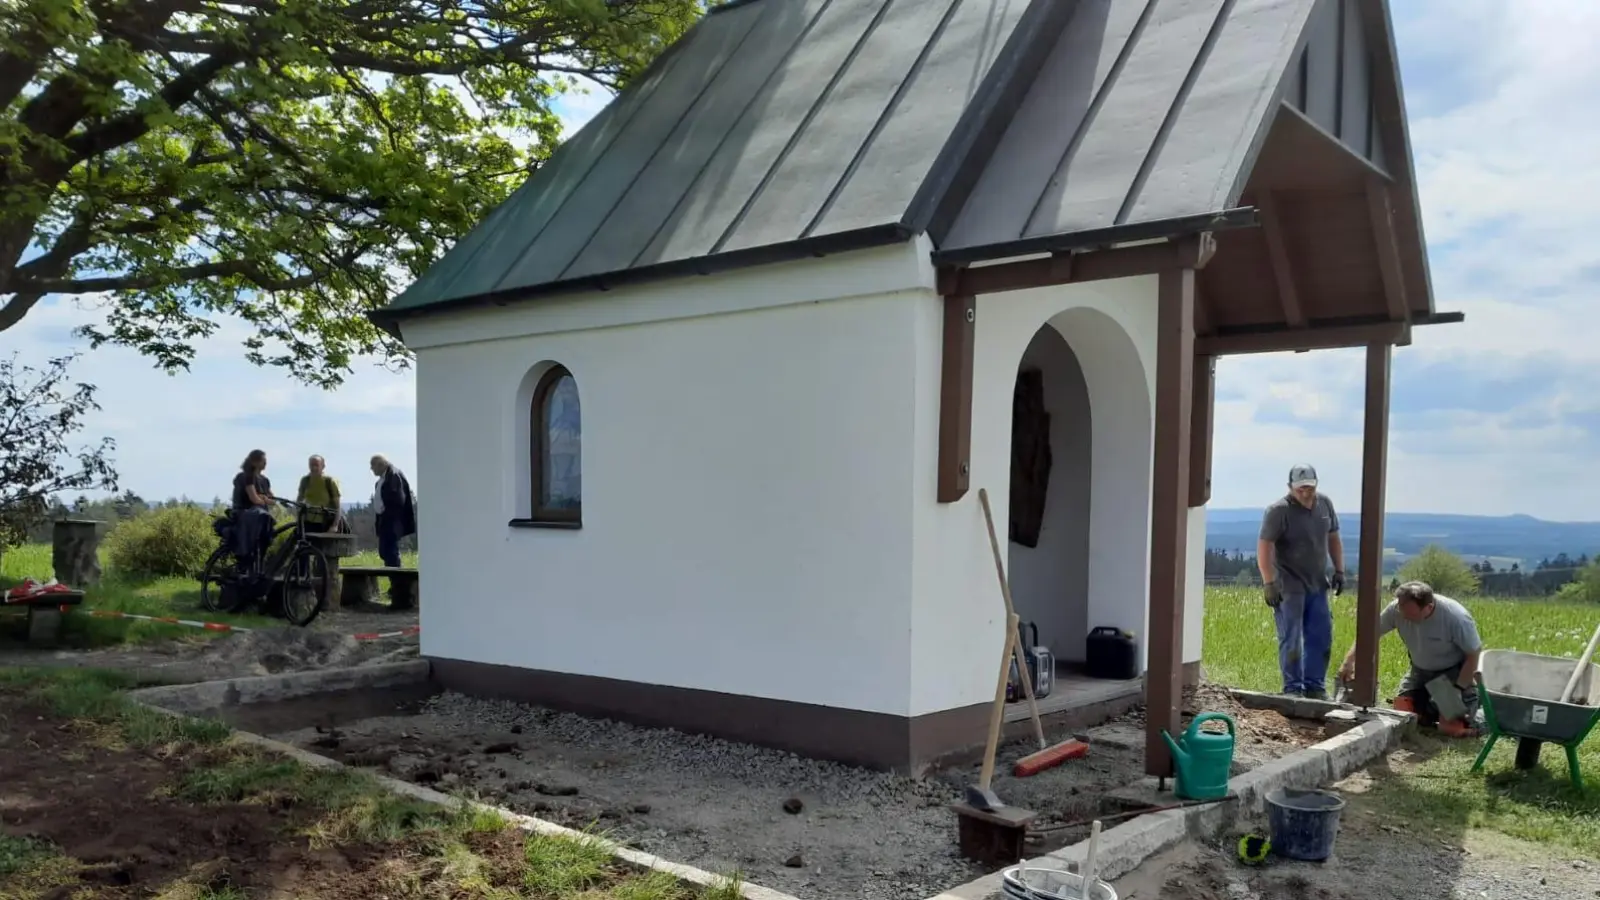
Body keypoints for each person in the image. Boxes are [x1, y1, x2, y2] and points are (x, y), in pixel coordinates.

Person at [1338, 581, 1483, 738]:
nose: (1405, 617)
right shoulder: (1396, 610)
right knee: (1403, 715)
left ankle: (1480, 716)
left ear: (1429, 607)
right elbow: (1369, 634)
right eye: (1402, 612)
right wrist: (1348, 662)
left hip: (1450, 673)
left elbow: (1473, 655)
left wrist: (1458, 689)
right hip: (1419, 671)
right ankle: (1430, 710)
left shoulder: (1456, 618)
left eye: (1411, 615)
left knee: (1450, 728)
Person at [1257, 464, 1345, 700]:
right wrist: (1269, 582)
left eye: (1309, 487)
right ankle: (1293, 689)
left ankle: (1315, 687)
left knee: (1321, 636)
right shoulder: (1278, 511)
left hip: (1317, 583)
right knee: (1292, 637)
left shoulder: (1325, 504)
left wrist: (1339, 570)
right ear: (1290, 488)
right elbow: (1265, 546)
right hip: (1289, 585)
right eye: (1300, 489)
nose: (1305, 493)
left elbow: (1333, 537)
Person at [370, 454, 417, 569]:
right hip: (385, 521)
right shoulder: (383, 479)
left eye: (373, 466)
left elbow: (398, 500)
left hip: (392, 521)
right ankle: (395, 581)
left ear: (381, 465)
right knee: (384, 551)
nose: (371, 469)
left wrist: (387, 514)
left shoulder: (393, 476)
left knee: (391, 552)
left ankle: (398, 582)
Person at [231, 449, 275, 565]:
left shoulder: (265, 480)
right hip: (246, 513)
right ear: (255, 462)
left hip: (260, 515)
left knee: (266, 537)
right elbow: (253, 498)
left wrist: (265, 499)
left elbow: (272, 499)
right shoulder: (246, 477)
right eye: (263, 461)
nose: (265, 463)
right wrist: (264, 499)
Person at [296, 455, 343, 532]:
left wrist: (335, 525)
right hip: (308, 522)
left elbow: (338, 507)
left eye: (316, 465)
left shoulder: (329, 481)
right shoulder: (305, 480)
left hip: (325, 523)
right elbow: (299, 501)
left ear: (323, 466)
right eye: (311, 465)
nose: (314, 468)